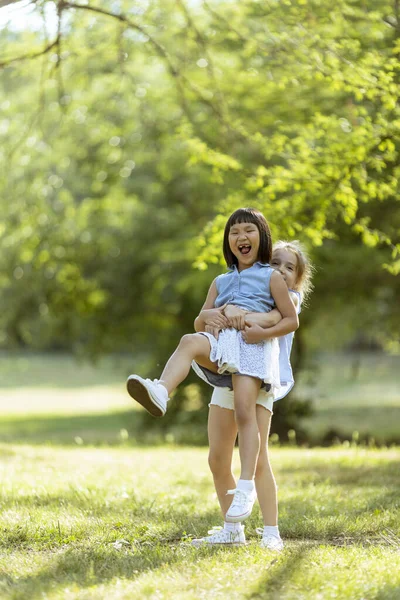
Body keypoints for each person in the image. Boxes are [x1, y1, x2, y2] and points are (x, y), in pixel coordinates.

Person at [127, 208, 299, 523]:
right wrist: (211, 316)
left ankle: (245, 487)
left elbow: (291, 319)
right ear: (228, 241)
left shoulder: (271, 277)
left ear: (261, 237)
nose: (241, 237)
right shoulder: (220, 281)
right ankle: (162, 391)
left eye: (248, 230)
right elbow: (199, 319)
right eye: (234, 232)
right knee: (189, 341)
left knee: (245, 413)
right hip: (221, 347)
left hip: (250, 349)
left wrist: (261, 330)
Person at [191, 240, 313, 550]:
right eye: (275, 263)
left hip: (261, 378)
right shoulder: (248, 286)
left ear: (298, 278)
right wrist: (221, 312)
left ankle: (271, 531)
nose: (281, 271)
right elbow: (208, 318)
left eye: (289, 268)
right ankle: (232, 530)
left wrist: (241, 317)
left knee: (258, 459)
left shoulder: (290, 298)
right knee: (218, 457)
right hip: (230, 377)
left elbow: (276, 319)